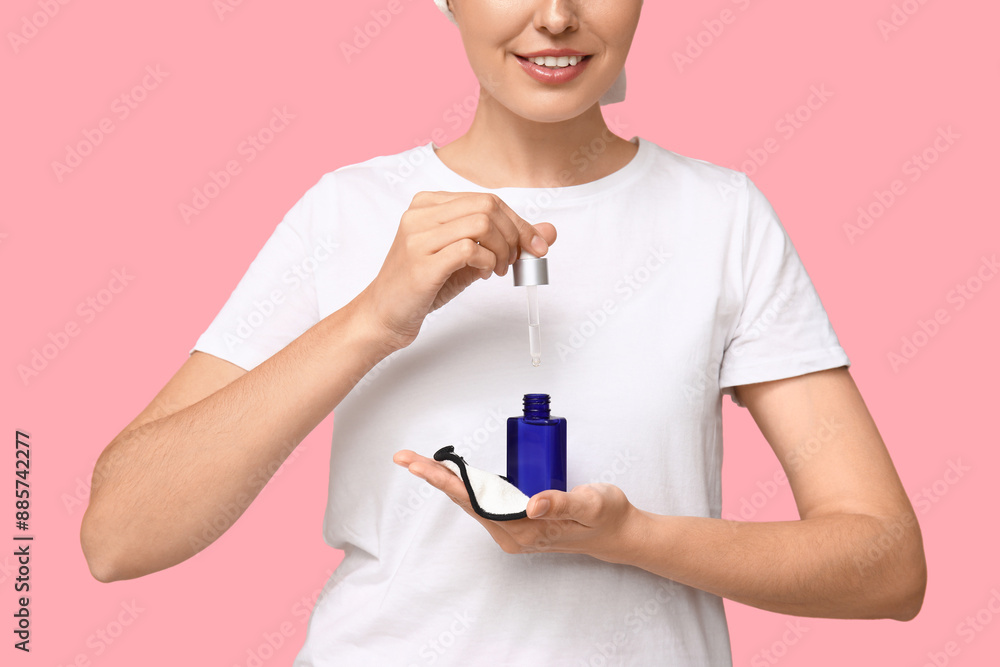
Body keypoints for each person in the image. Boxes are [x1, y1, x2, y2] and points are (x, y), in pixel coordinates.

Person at [81, 0, 927, 664]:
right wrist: (375, 315)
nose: (556, 16)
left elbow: (886, 563)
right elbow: (119, 536)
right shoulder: (346, 212)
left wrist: (631, 537)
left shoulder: (720, 219)